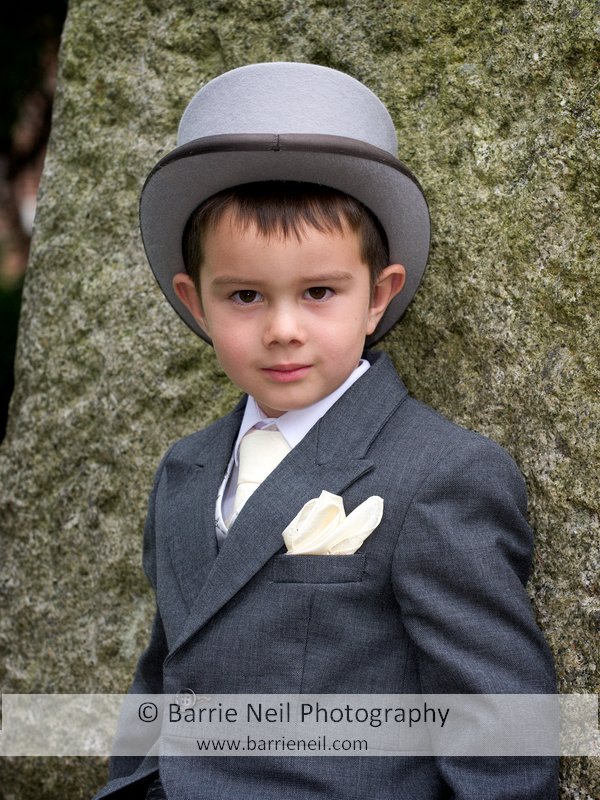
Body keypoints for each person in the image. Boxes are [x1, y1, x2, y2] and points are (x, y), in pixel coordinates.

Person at [93, 62, 557, 799]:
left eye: (318, 292)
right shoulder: (185, 471)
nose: (283, 329)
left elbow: (502, 736)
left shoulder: (440, 475)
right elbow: (165, 677)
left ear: (377, 296)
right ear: (196, 301)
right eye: (245, 295)